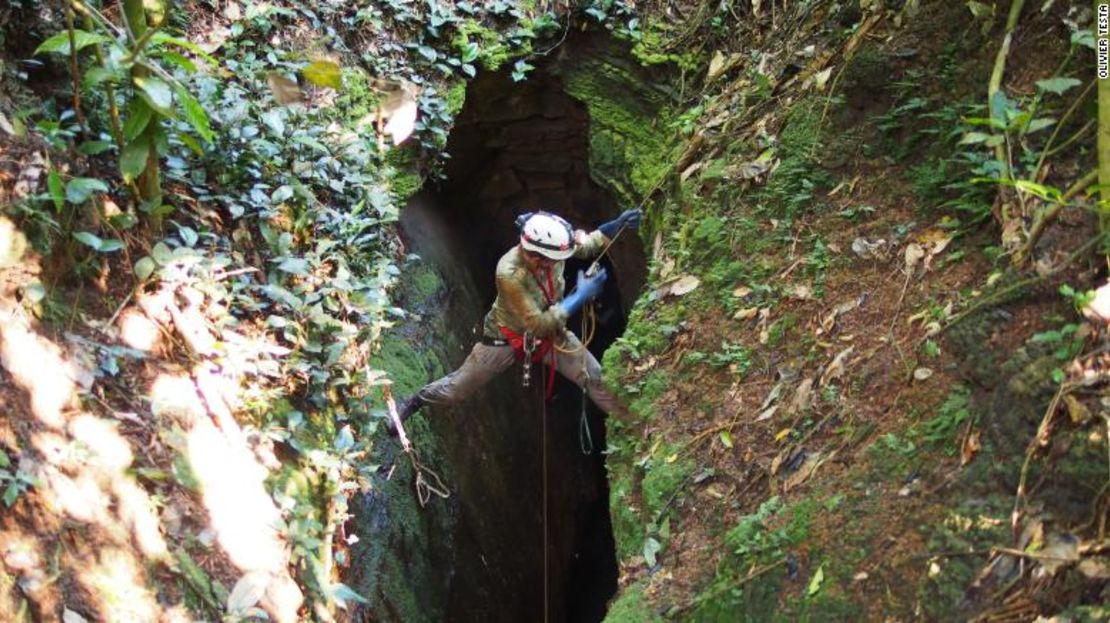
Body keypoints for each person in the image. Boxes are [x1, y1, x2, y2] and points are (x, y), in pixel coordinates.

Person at [393, 208, 643, 428]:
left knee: (595, 378)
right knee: (457, 389)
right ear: (535, 255)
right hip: (505, 340)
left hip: (553, 337)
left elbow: (586, 245)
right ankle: (418, 400)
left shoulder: (554, 247)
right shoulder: (509, 273)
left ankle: (636, 425)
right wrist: (579, 298)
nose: (557, 265)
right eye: (552, 261)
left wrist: (615, 225)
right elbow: (537, 324)